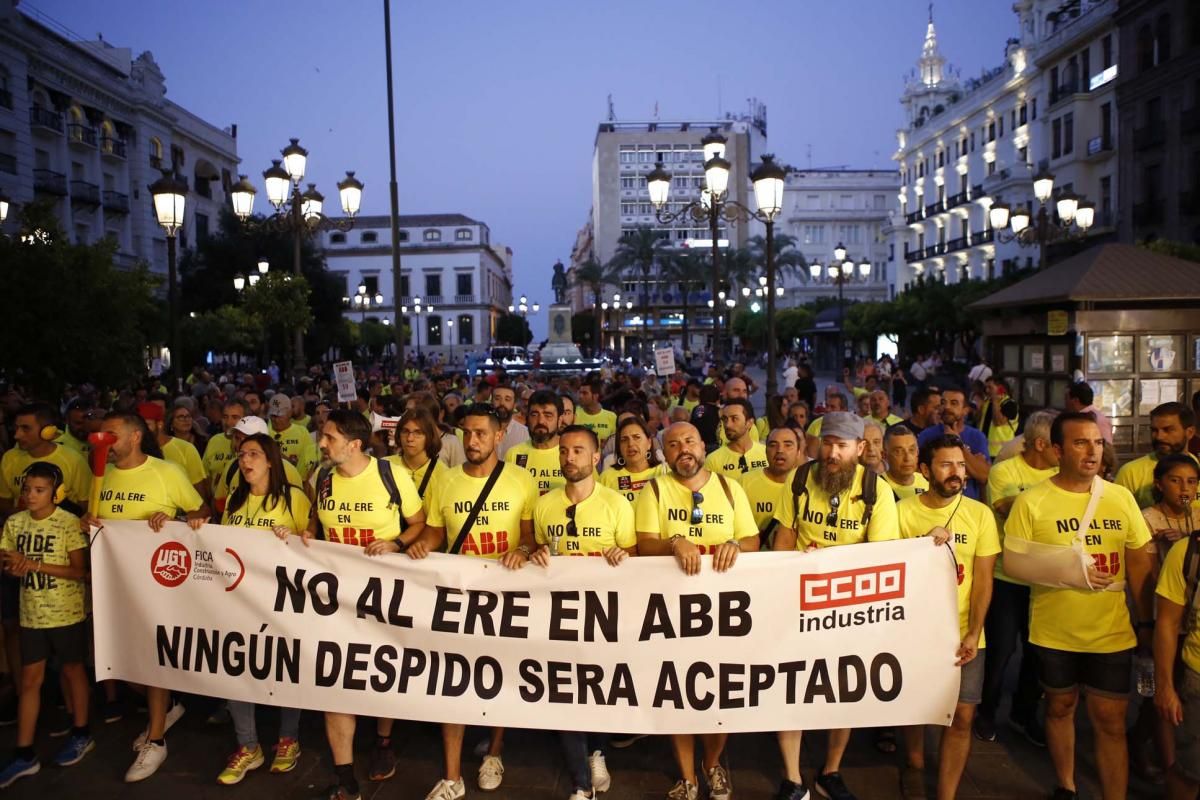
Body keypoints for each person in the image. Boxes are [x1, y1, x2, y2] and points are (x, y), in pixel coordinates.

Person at [1004, 412, 1156, 800]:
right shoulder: (1032, 501)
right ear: (1057, 450)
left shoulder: (1119, 498)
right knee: (1060, 706)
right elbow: (1014, 563)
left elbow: (1139, 561)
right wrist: (1068, 572)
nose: (1092, 451)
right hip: (1053, 630)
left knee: (1110, 720)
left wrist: (1146, 624)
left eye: (1098, 442)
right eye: (1080, 442)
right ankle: (1066, 785)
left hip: (1111, 631)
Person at [406, 404, 539, 800]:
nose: (473, 441)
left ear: (500, 436)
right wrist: (417, 549)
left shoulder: (521, 480)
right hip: (459, 595)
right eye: (467, 433)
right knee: (453, 682)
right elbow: (434, 532)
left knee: (498, 676)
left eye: (481, 433)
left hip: (504, 596)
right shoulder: (445, 481)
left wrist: (524, 550)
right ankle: (452, 776)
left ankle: (494, 753)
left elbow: (530, 536)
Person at [770, 412, 899, 800]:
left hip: (847, 607)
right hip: (800, 600)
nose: (832, 453)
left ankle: (831, 771)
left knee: (842, 690)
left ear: (860, 449)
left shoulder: (877, 490)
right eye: (827, 443)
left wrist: (832, 561)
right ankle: (792, 778)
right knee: (791, 686)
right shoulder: (799, 479)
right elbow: (785, 533)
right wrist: (792, 562)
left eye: (842, 446)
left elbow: (880, 556)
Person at [298, 410, 426, 799]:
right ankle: (344, 778)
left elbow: (419, 523)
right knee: (334, 680)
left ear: (354, 445)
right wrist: (304, 534)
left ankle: (383, 741)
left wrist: (397, 544)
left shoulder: (391, 475)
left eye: (330, 438)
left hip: (382, 597)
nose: (321, 444)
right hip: (333, 599)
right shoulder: (321, 478)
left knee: (382, 671)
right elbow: (315, 526)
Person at [634, 421, 759, 800]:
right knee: (678, 694)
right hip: (672, 614)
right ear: (664, 452)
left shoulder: (728, 487)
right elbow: (643, 545)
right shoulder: (654, 490)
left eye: (689, 441)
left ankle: (712, 763)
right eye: (673, 444)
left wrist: (736, 543)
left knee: (721, 695)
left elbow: (753, 539)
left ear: (703, 446)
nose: (682, 449)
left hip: (723, 616)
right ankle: (687, 777)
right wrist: (675, 542)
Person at [82, 411, 209, 782]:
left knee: (152, 659)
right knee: (119, 661)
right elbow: (94, 519)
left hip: (155, 585)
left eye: (111, 433)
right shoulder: (100, 474)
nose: (102, 439)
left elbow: (200, 512)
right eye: (100, 433)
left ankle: (156, 738)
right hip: (113, 586)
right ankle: (167, 705)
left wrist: (174, 524)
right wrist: (86, 522)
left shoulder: (166, 473)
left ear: (135, 437)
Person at [528, 424, 634, 800]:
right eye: (563, 451)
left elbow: (635, 560)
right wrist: (535, 554)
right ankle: (579, 782)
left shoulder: (616, 504)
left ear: (594, 457)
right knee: (564, 692)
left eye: (577, 451)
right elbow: (539, 551)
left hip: (603, 615)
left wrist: (623, 556)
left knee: (598, 688)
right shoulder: (544, 504)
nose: (568, 458)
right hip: (558, 617)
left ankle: (597, 752)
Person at [898, 435, 999, 800]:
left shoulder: (980, 515)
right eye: (945, 464)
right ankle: (913, 766)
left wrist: (974, 632)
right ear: (925, 471)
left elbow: (984, 579)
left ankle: (946, 793)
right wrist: (923, 546)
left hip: (965, 635)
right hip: (914, 632)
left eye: (960, 464)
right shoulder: (901, 512)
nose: (956, 472)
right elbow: (893, 572)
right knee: (915, 706)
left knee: (963, 715)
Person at [215, 434, 310, 785]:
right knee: (237, 668)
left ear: (271, 460)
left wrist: (296, 539)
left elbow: (312, 543)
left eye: (254, 454)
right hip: (240, 602)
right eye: (241, 454)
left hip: (282, 604)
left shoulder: (293, 498)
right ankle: (248, 746)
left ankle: (288, 739)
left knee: (285, 667)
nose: (245, 460)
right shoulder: (235, 500)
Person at [0, 464, 92, 788]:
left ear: (57, 494)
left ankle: (81, 732)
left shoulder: (68, 524)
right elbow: (7, 561)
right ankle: (24, 752)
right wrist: (15, 567)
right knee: (29, 680)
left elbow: (80, 571)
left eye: (38, 490)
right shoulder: (14, 522)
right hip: (31, 613)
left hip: (66, 613)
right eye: (26, 489)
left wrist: (36, 564)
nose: (30, 496)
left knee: (72, 670)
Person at [976, 410, 1059, 746]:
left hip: (1048, 577)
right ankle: (985, 712)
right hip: (1007, 575)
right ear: (1041, 443)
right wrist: (1055, 504)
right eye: (1059, 444)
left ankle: (1023, 714)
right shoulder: (1003, 471)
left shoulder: (1060, 472)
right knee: (1001, 650)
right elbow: (1006, 510)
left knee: (1039, 650)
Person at [1152, 485, 1200, 800]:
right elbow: (1167, 623)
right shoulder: (1189, 552)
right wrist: (1166, 687)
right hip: (1197, 677)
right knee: (1189, 772)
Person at [1115, 401, 1198, 509]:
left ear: (1190, 432)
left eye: (1168, 430)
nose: (1159, 437)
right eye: (1154, 430)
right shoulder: (1130, 472)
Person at [917, 388, 990, 500]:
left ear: (965, 410)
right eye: (943, 402)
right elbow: (919, 473)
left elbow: (984, 476)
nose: (947, 407)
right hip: (935, 503)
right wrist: (969, 468)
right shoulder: (926, 436)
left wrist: (958, 442)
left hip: (968, 506)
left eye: (954, 403)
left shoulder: (977, 437)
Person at [739, 426, 804, 547]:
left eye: (788, 445)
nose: (780, 450)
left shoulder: (809, 486)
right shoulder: (744, 482)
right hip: (754, 562)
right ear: (765, 451)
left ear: (798, 452)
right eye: (773, 445)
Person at [138, 402, 207, 499]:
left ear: (160, 424)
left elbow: (200, 491)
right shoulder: (136, 450)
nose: (139, 430)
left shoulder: (186, 448)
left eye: (146, 424)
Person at [504, 390, 564, 496]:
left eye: (548, 415)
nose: (540, 421)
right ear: (527, 418)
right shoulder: (514, 454)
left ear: (559, 420)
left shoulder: (572, 453)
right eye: (534, 414)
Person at [599, 417, 667, 502]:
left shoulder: (664, 472)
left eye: (636, 437)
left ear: (649, 443)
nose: (630, 444)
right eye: (624, 440)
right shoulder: (607, 478)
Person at [385, 408, 446, 501]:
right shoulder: (384, 466)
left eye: (418, 433)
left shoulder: (443, 474)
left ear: (429, 436)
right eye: (405, 431)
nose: (410, 438)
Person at [704, 399, 769, 482]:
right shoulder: (713, 460)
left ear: (749, 422)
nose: (727, 425)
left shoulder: (766, 453)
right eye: (725, 419)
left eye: (734, 419)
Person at [267, 394, 319, 481]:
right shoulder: (264, 432)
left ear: (290, 412)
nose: (276, 420)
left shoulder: (302, 432)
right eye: (273, 416)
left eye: (280, 416)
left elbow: (310, 461)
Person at [202, 399, 246, 498]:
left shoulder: (254, 443)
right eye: (225, 417)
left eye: (235, 417)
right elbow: (205, 475)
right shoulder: (214, 441)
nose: (228, 422)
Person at [882, 424, 929, 500]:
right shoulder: (877, 486)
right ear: (884, 455)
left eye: (911, 450)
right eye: (898, 452)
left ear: (917, 452)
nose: (907, 458)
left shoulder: (928, 482)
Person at [491, 383, 529, 459]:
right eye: (497, 399)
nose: (502, 403)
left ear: (515, 404)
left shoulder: (525, 434)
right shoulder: (481, 431)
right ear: (491, 402)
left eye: (507, 399)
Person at [575, 379, 618, 445]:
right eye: (580, 393)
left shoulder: (611, 416)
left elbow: (614, 442)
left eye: (585, 393)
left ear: (595, 396)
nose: (580, 396)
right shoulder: (574, 414)